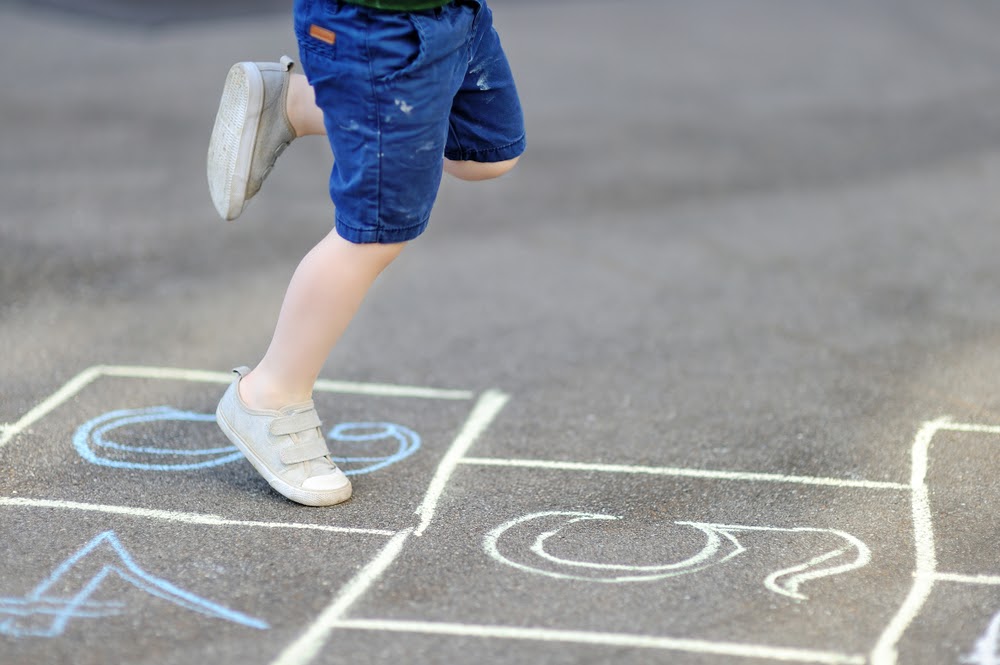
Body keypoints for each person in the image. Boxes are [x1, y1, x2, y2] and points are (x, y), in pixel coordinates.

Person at [207, 0, 525, 506]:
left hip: (454, 18)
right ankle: (269, 393)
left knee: (486, 153)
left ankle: (298, 102)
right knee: (376, 231)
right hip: (377, 32)